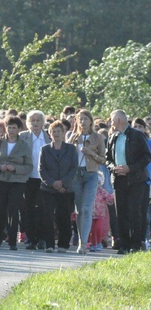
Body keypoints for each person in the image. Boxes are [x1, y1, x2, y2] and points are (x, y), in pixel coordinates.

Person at [106, 110, 151, 254]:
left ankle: (135, 244)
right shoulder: (113, 137)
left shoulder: (137, 135)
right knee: (122, 212)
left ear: (118, 119)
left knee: (135, 212)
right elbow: (108, 159)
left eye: (112, 120)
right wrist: (114, 168)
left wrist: (130, 168)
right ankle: (124, 244)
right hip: (119, 179)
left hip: (136, 179)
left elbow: (146, 157)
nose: (111, 123)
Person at [0, 116, 32, 250]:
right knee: (0, 210)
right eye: (9, 127)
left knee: (13, 211)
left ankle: (12, 241)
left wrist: (15, 168)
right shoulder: (0, 142)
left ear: (19, 129)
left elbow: (29, 166)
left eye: (14, 128)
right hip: (0, 180)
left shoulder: (24, 145)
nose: (11, 130)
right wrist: (0, 167)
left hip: (17, 182)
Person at [68, 109, 106, 254]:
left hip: (91, 174)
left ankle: (83, 243)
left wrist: (91, 153)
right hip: (76, 175)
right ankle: (80, 239)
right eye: (80, 119)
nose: (83, 122)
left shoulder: (98, 138)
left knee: (86, 208)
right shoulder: (72, 137)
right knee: (78, 210)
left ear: (91, 121)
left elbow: (103, 159)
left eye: (85, 119)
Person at [38, 121, 78, 253]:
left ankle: (63, 244)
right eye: (53, 131)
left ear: (64, 133)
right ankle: (49, 244)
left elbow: (73, 168)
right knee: (47, 217)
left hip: (66, 189)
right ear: (50, 134)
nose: (56, 134)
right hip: (48, 189)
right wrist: (52, 182)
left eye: (59, 131)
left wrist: (63, 183)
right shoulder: (45, 149)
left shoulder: (71, 149)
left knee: (64, 217)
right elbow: (41, 169)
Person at [20, 110, 51, 250]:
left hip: (44, 179)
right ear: (28, 123)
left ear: (43, 122)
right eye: (33, 121)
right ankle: (30, 239)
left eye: (38, 120)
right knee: (28, 209)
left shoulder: (48, 136)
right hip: (28, 177)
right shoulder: (23, 137)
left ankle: (42, 238)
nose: (35, 123)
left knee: (43, 209)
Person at [88, 171, 114, 252]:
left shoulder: (102, 191)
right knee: (92, 230)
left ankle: (99, 243)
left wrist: (113, 196)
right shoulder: (88, 191)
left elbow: (109, 199)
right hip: (91, 214)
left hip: (100, 213)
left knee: (98, 228)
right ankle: (93, 244)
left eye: (98, 182)